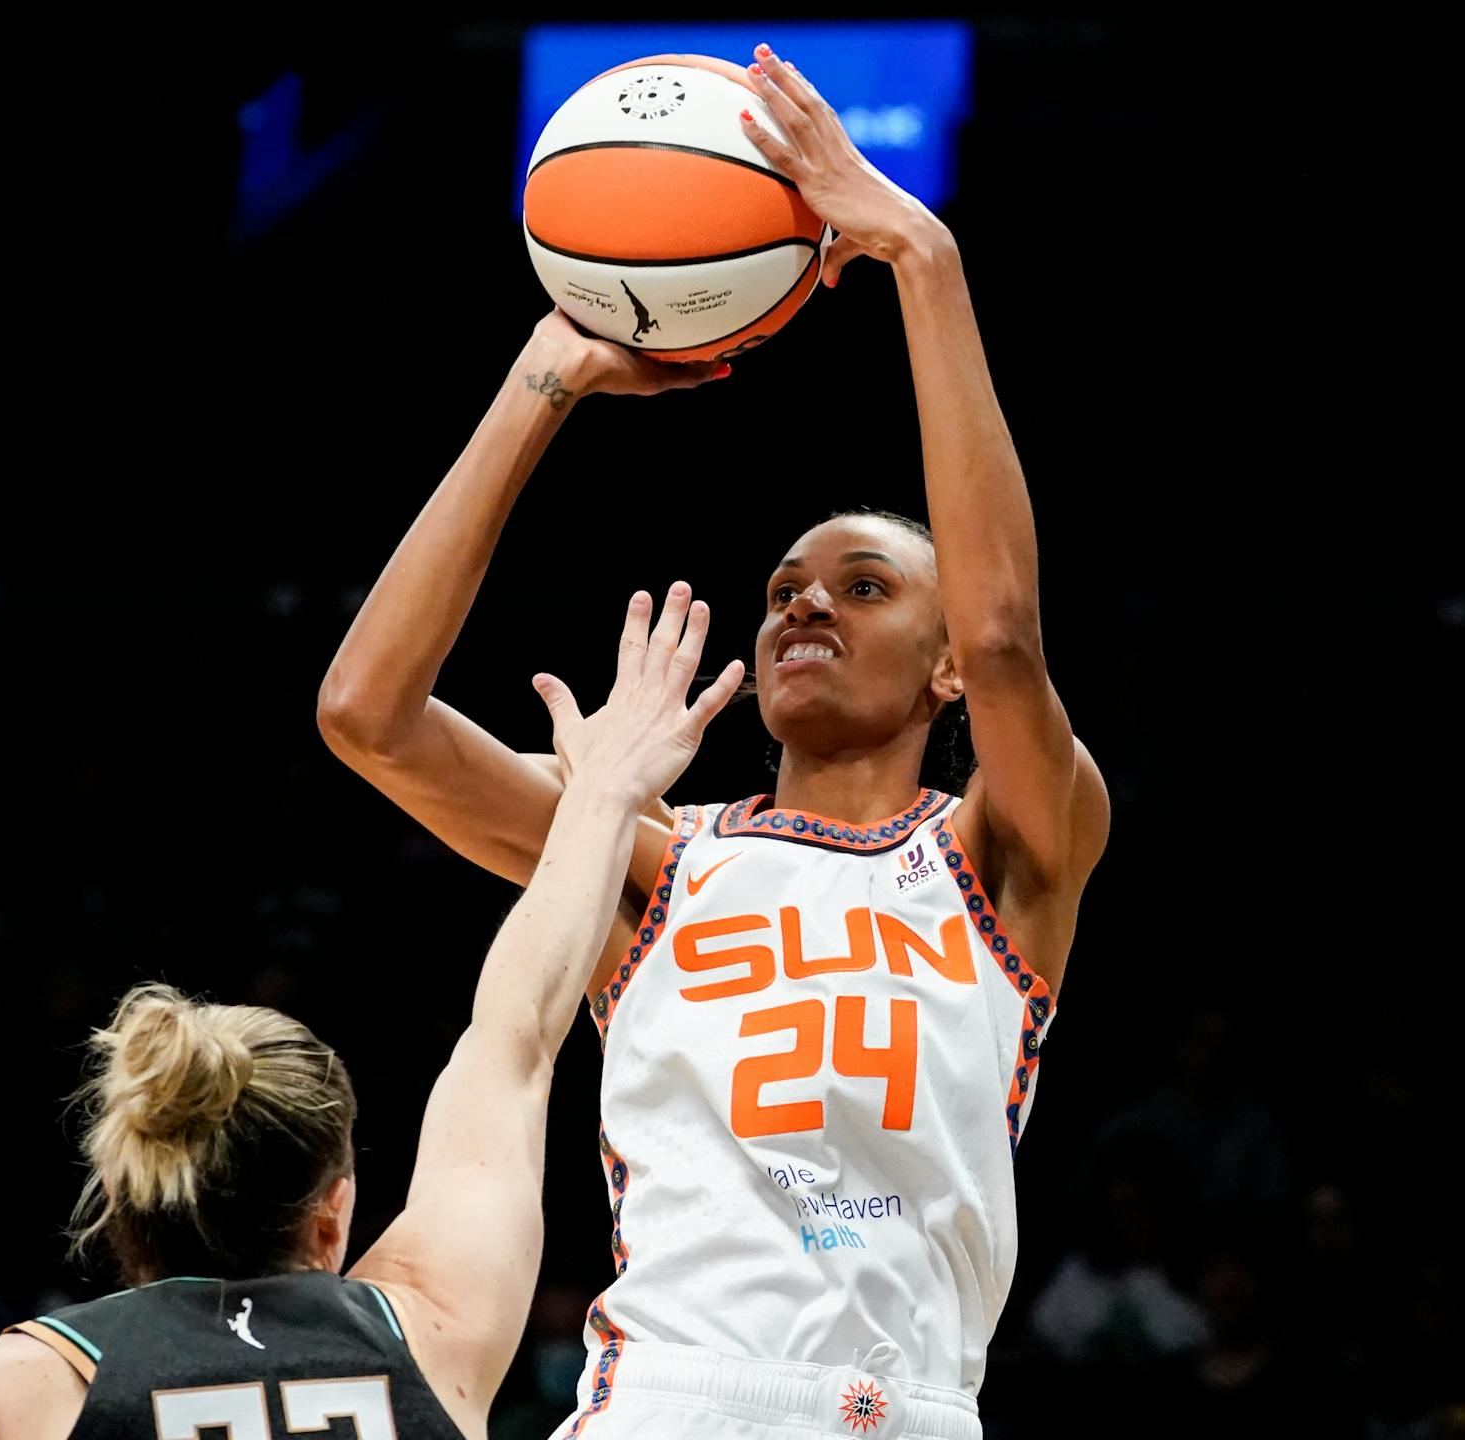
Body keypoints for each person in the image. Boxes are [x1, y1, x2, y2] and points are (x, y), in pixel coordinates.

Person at [317, 43, 1110, 1440]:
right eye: (785, 590)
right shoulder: (656, 861)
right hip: (673, 1401)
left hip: (920, 1409)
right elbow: (366, 716)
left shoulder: (1011, 852)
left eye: (862, 586)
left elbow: (1005, 641)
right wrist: (538, 386)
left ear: (940, 677)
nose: (805, 601)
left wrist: (921, 260)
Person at [0, 591, 745, 1440]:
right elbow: (515, 1034)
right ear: (333, 1216)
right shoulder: (435, 1333)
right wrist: (602, 796)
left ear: (125, 1199)